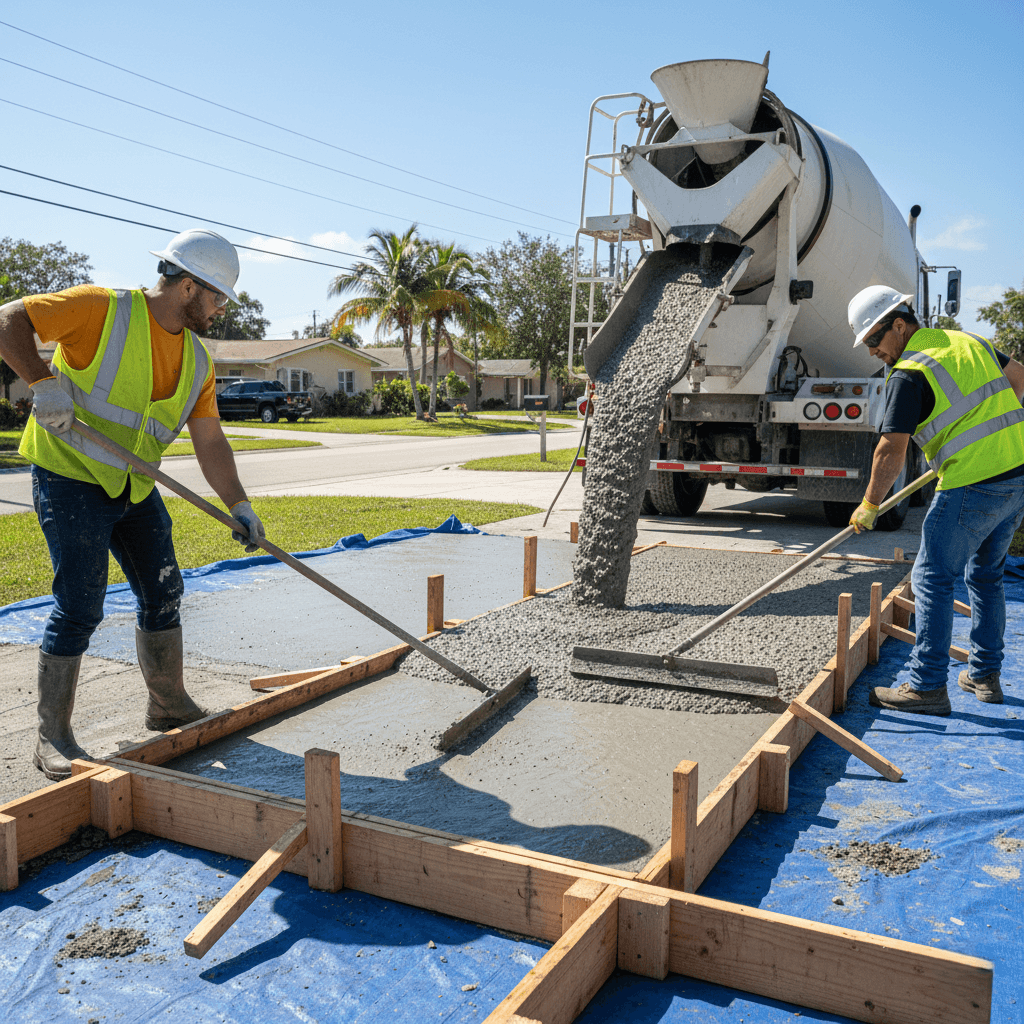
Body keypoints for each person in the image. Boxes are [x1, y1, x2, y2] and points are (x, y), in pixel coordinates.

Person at [0, 229, 266, 779]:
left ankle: (167, 704)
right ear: (188, 286)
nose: (220, 311)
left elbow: (210, 440)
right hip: (70, 476)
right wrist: (40, 380)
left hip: (133, 486)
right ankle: (53, 737)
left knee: (164, 590)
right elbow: (7, 319)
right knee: (80, 603)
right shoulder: (102, 309)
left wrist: (239, 503)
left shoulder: (197, 360)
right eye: (217, 297)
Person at [846, 285, 1024, 715]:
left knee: (931, 579)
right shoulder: (968, 341)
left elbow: (890, 450)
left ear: (900, 325)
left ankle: (926, 686)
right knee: (986, 576)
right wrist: (988, 433)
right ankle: (984, 675)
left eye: (874, 339)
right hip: (1016, 478)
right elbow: (1020, 380)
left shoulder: (909, 372)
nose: (872, 351)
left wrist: (870, 505)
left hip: (971, 483)